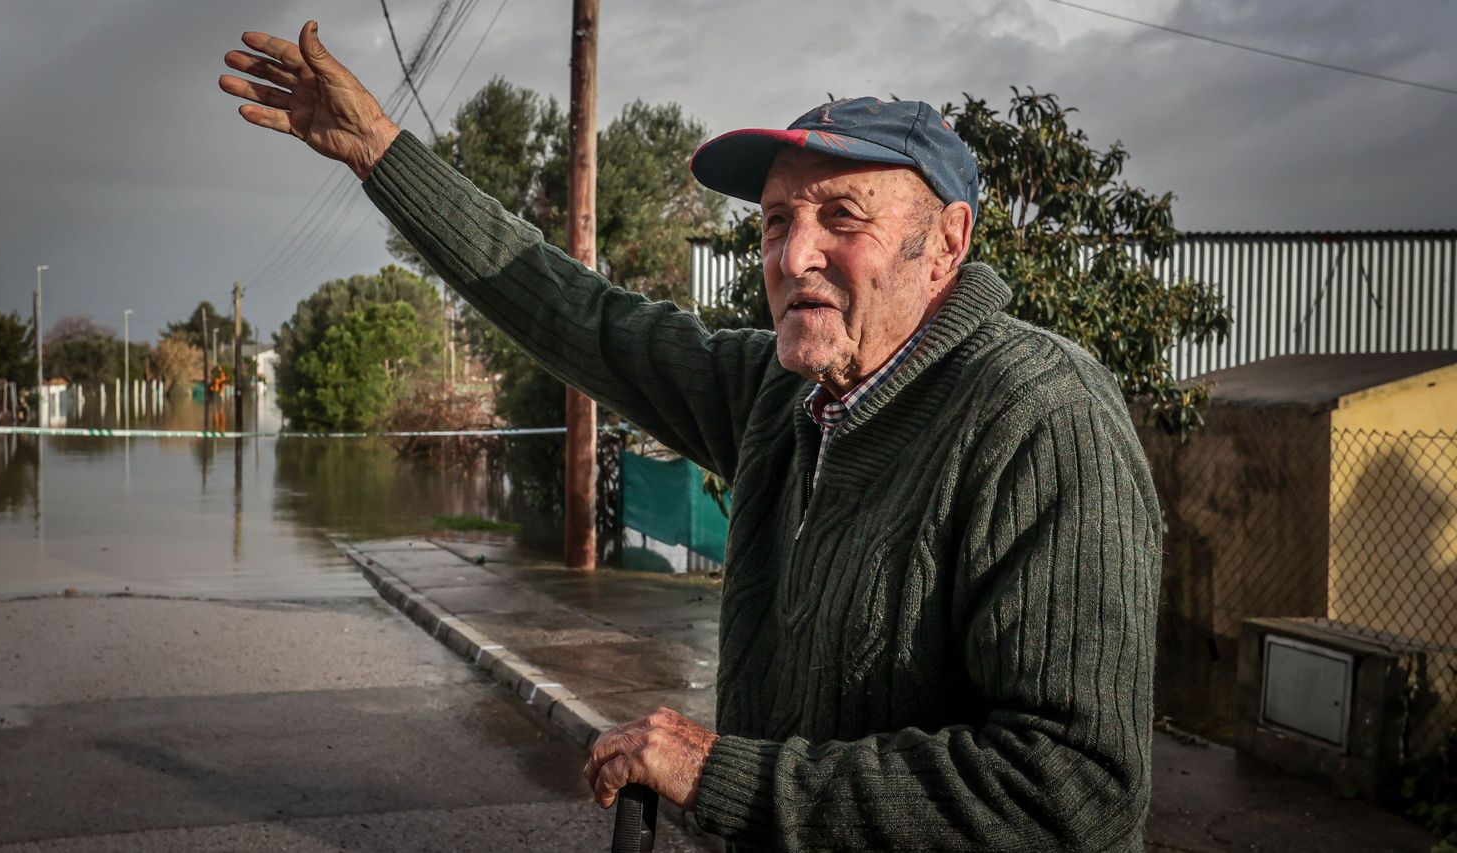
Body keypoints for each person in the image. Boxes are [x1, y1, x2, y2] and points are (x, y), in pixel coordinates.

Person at [221, 22, 1161, 851]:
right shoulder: (777, 397)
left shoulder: (1042, 419)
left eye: (844, 217)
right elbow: (571, 311)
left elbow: (1073, 789)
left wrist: (723, 776)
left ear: (946, 243)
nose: (794, 256)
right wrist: (383, 153)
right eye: (777, 221)